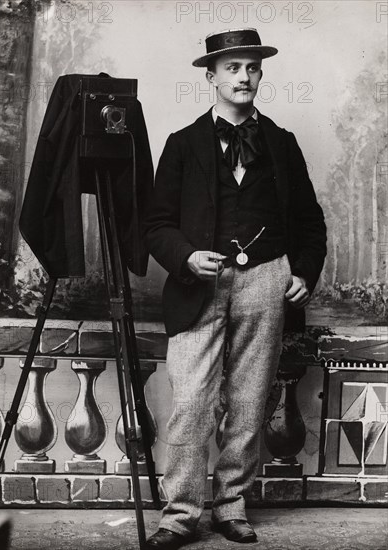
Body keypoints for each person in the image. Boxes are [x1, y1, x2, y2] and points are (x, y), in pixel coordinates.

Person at [144, 28, 327, 549]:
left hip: (267, 281)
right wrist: (186, 256)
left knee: (248, 403)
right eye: (232, 68)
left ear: (260, 74)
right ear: (212, 77)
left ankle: (231, 507)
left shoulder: (283, 144)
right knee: (191, 404)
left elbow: (311, 225)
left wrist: (303, 273)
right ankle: (179, 515)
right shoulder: (182, 144)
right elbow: (156, 224)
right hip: (199, 284)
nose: (243, 76)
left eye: (251, 67)